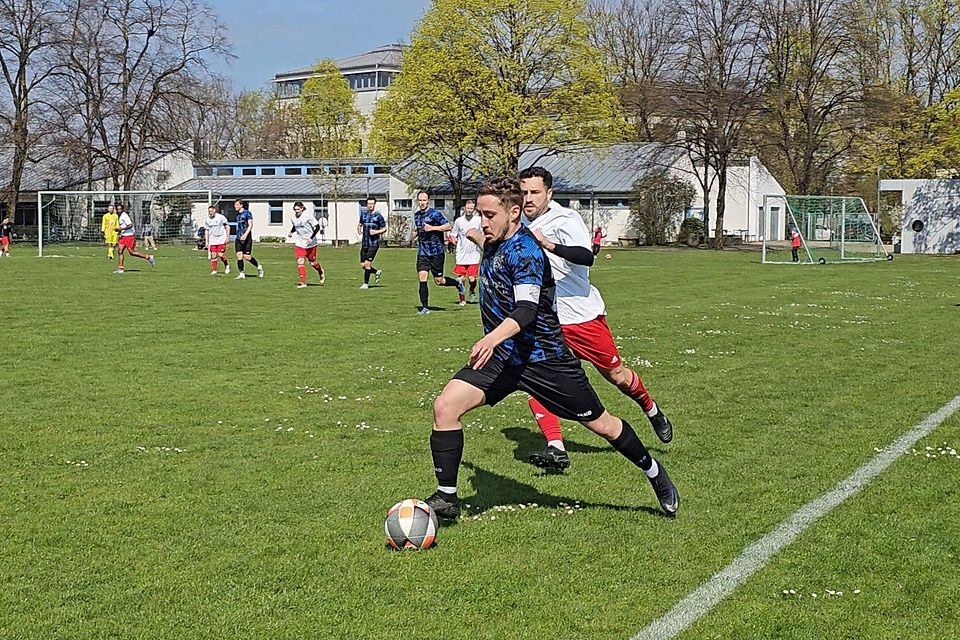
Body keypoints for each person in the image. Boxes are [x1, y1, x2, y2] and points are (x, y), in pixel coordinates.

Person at [423, 176, 679, 520]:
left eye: (489, 215)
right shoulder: (494, 238)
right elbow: (483, 241)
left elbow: (526, 311)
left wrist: (490, 338)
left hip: (544, 360)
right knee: (445, 407)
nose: (483, 222)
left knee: (603, 425)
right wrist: (471, 234)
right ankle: (447, 499)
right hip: (503, 360)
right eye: (480, 214)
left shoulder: (526, 252)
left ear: (514, 213)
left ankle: (653, 471)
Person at [517, 166, 673, 471]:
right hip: (546, 318)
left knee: (617, 376)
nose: (528, 198)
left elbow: (586, 256)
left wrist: (548, 245)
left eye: (535, 192)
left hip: (581, 316)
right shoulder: (520, 221)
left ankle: (651, 409)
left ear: (549, 193)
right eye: (524, 192)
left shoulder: (565, 219)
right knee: (540, 379)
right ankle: (555, 447)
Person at [412, 190, 464, 314]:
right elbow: (418, 229)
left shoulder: (435, 214)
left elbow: (448, 226)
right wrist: (415, 233)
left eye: (424, 200)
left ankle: (457, 283)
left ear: (428, 201)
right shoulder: (417, 215)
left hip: (436, 252)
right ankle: (425, 307)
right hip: (423, 252)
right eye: (420, 200)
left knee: (439, 281)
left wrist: (432, 228)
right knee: (422, 278)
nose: (422, 202)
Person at [450, 199, 481, 304]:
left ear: (474, 209)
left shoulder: (478, 220)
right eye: (468, 208)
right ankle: (462, 299)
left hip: (474, 254)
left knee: (472, 279)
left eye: (471, 208)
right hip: (461, 254)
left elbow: (483, 233)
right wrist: (453, 240)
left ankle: (472, 291)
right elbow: (453, 234)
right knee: (461, 279)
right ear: (464, 208)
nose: (469, 210)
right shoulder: (459, 221)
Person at [288, 201, 325, 288]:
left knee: (312, 263)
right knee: (300, 261)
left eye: (298, 209)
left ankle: (320, 271)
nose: (296, 211)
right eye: (295, 209)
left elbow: (317, 227)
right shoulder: (293, 218)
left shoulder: (308, 216)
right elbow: (296, 226)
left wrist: (311, 238)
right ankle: (303, 283)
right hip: (300, 243)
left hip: (311, 243)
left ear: (302, 208)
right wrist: (291, 232)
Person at [115, 204, 154, 273]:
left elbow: (130, 225)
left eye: (120, 209)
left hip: (129, 236)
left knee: (132, 252)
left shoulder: (124, 216)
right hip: (123, 236)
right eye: (118, 209)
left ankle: (149, 257)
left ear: (123, 209)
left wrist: (121, 229)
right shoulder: (119, 216)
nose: (119, 210)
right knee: (120, 251)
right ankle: (121, 269)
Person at [357, 197, 386, 289]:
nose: (370, 205)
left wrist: (376, 232)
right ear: (367, 204)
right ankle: (376, 272)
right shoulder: (363, 214)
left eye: (372, 204)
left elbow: (384, 228)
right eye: (369, 204)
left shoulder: (378, 216)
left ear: (374, 204)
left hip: (373, 243)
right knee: (363, 265)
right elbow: (360, 224)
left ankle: (365, 284)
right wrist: (359, 229)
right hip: (365, 243)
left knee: (367, 264)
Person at [233, 198, 263, 279]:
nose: (235, 206)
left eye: (236, 204)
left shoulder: (247, 213)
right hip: (238, 237)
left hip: (247, 238)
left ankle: (259, 266)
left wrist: (245, 235)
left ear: (241, 205)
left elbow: (250, 225)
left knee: (247, 256)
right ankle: (241, 273)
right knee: (239, 255)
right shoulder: (238, 215)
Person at [204, 205, 230, 275]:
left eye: (211, 211)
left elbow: (227, 226)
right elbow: (207, 230)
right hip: (213, 239)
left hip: (221, 238)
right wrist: (207, 241)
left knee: (221, 254)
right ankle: (214, 270)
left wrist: (227, 237)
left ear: (214, 210)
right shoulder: (207, 219)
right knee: (213, 254)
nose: (210, 213)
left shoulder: (221, 217)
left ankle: (226, 265)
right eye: (209, 211)